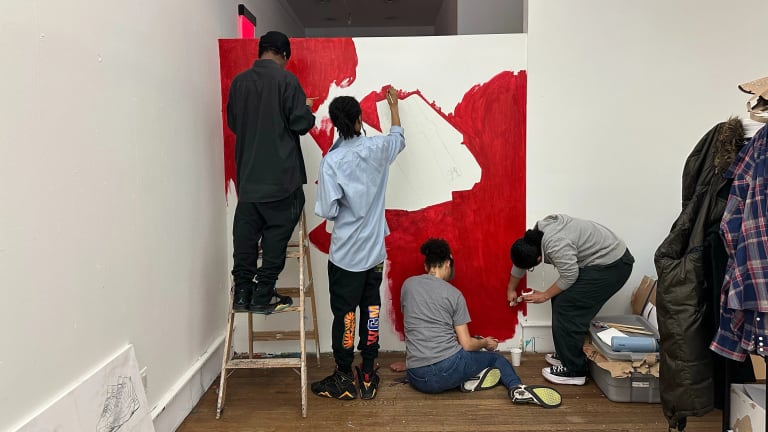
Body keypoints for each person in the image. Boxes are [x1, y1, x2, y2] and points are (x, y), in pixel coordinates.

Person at [311, 87, 404, 400]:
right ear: (359, 119)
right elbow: (398, 137)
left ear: (336, 123)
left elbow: (327, 210)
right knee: (372, 307)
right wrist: (393, 107)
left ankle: (342, 376)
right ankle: (368, 371)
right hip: (375, 251)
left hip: (346, 254)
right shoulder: (378, 148)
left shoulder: (332, 162)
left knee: (346, 313)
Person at [402, 238, 562, 408]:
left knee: (461, 360)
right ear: (448, 263)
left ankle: (468, 381)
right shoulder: (454, 294)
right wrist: (485, 342)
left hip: (416, 376)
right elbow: (467, 345)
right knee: (496, 360)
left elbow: (418, 328)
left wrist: (412, 360)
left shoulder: (408, 285)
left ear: (426, 266)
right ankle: (517, 388)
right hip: (447, 371)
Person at [226, 31, 315, 314]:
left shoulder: (239, 83)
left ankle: (242, 292)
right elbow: (301, 123)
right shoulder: (286, 80)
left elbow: (235, 124)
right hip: (280, 181)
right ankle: (264, 293)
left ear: (261, 51)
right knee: (278, 231)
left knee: (246, 234)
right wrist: (308, 109)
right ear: (285, 55)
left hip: (250, 181)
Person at [507, 214, 634, 385]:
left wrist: (544, 295)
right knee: (560, 298)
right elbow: (521, 259)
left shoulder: (555, 244)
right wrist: (511, 288)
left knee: (567, 307)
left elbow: (570, 275)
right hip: (602, 261)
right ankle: (567, 355)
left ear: (538, 259)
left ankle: (574, 371)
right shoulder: (535, 236)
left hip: (613, 266)